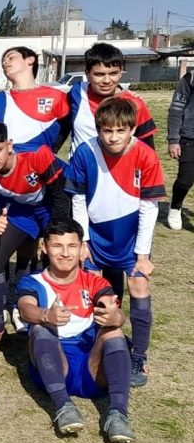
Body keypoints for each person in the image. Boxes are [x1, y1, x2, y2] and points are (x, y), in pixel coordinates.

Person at [64, 97, 166, 387]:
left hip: (131, 240)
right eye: (107, 131)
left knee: (139, 285)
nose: (113, 137)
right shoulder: (85, 152)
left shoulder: (146, 155)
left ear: (132, 129)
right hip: (96, 237)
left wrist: (142, 254)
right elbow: (78, 200)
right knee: (97, 291)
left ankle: (139, 356)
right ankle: (100, 343)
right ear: (98, 129)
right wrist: (83, 240)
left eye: (121, 131)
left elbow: (149, 207)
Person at [16, 218, 135, 443]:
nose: (65, 253)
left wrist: (115, 317)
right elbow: (25, 308)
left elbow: (115, 310)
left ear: (81, 249)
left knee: (114, 331)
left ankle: (118, 414)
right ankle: (63, 406)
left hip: (93, 369)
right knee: (40, 329)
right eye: (57, 245)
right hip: (54, 367)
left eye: (72, 246)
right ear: (44, 247)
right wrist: (46, 315)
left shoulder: (94, 282)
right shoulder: (32, 282)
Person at [0, 121, 70, 345]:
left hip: (52, 205)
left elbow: (61, 196)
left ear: (9, 145)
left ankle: (52, 315)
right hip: (21, 210)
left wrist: (55, 232)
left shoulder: (37, 155)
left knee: (58, 258)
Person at [66, 43, 156, 157]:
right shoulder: (77, 92)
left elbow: (148, 149)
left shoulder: (135, 104)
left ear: (121, 72)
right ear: (87, 73)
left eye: (113, 73)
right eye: (99, 74)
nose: (107, 81)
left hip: (120, 167)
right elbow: (59, 128)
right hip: (79, 167)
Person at [0, 46, 69, 153]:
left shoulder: (57, 96)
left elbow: (68, 125)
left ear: (30, 60)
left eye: (11, 58)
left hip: (42, 162)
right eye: (3, 61)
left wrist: (53, 151)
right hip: (9, 162)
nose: (5, 63)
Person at [165, 67, 194, 231]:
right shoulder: (190, 78)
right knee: (185, 180)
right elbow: (176, 110)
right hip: (189, 137)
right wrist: (173, 140)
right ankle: (175, 207)